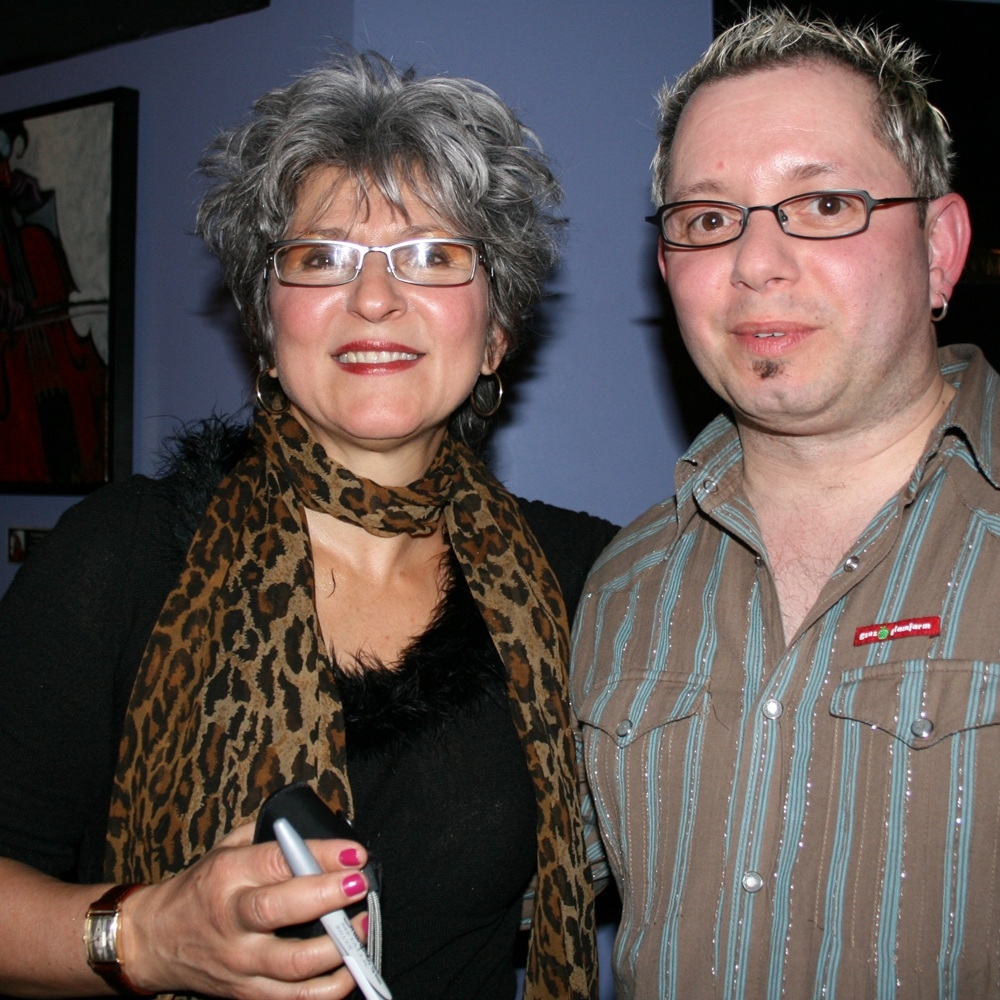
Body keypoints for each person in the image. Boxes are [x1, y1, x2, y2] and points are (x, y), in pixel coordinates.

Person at [0, 51, 615, 1000]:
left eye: (433, 256)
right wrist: (150, 936)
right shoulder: (116, 557)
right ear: (265, 326)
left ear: (496, 332)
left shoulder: (587, 577)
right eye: (321, 256)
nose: (374, 299)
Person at [570, 8, 995, 998]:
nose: (755, 262)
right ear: (669, 266)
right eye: (708, 219)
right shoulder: (621, 585)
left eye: (822, 204)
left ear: (938, 248)